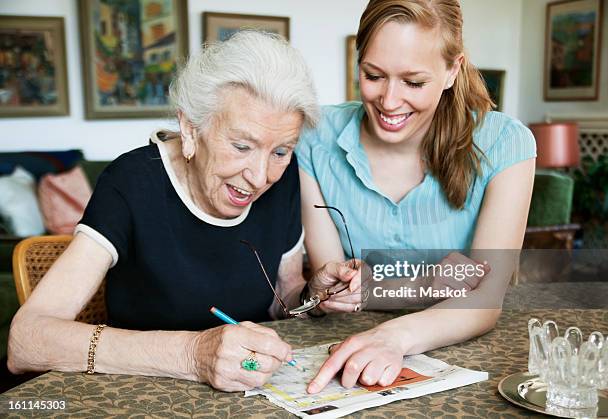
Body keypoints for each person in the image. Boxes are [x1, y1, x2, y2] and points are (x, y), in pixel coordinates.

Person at [7, 31, 357, 392]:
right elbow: (26, 341)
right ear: (191, 129)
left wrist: (313, 296)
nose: (260, 177)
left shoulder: (282, 180)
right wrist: (193, 354)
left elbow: (280, 297)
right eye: (241, 146)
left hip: (250, 389)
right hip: (142, 393)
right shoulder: (132, 182)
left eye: (281, 151)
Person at [295, 0, 536, 393]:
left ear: (451, 70)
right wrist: (431, 282)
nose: (389, 102)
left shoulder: (506, 143)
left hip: (465, 364)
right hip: (348, 360)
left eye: (413, 82)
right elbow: (341, 289)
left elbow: (486, 300)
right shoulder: (314, 137)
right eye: (374, 75)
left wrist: (392, 334)